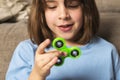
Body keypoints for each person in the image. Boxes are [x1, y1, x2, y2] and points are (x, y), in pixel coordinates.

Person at [6, 0, 120, 80]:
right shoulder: (27, 51)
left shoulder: (107, 51)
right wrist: (37, 75)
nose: (63, 15)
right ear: (41, 12)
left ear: (86, 8)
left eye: (72, 4)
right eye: (52, 6)